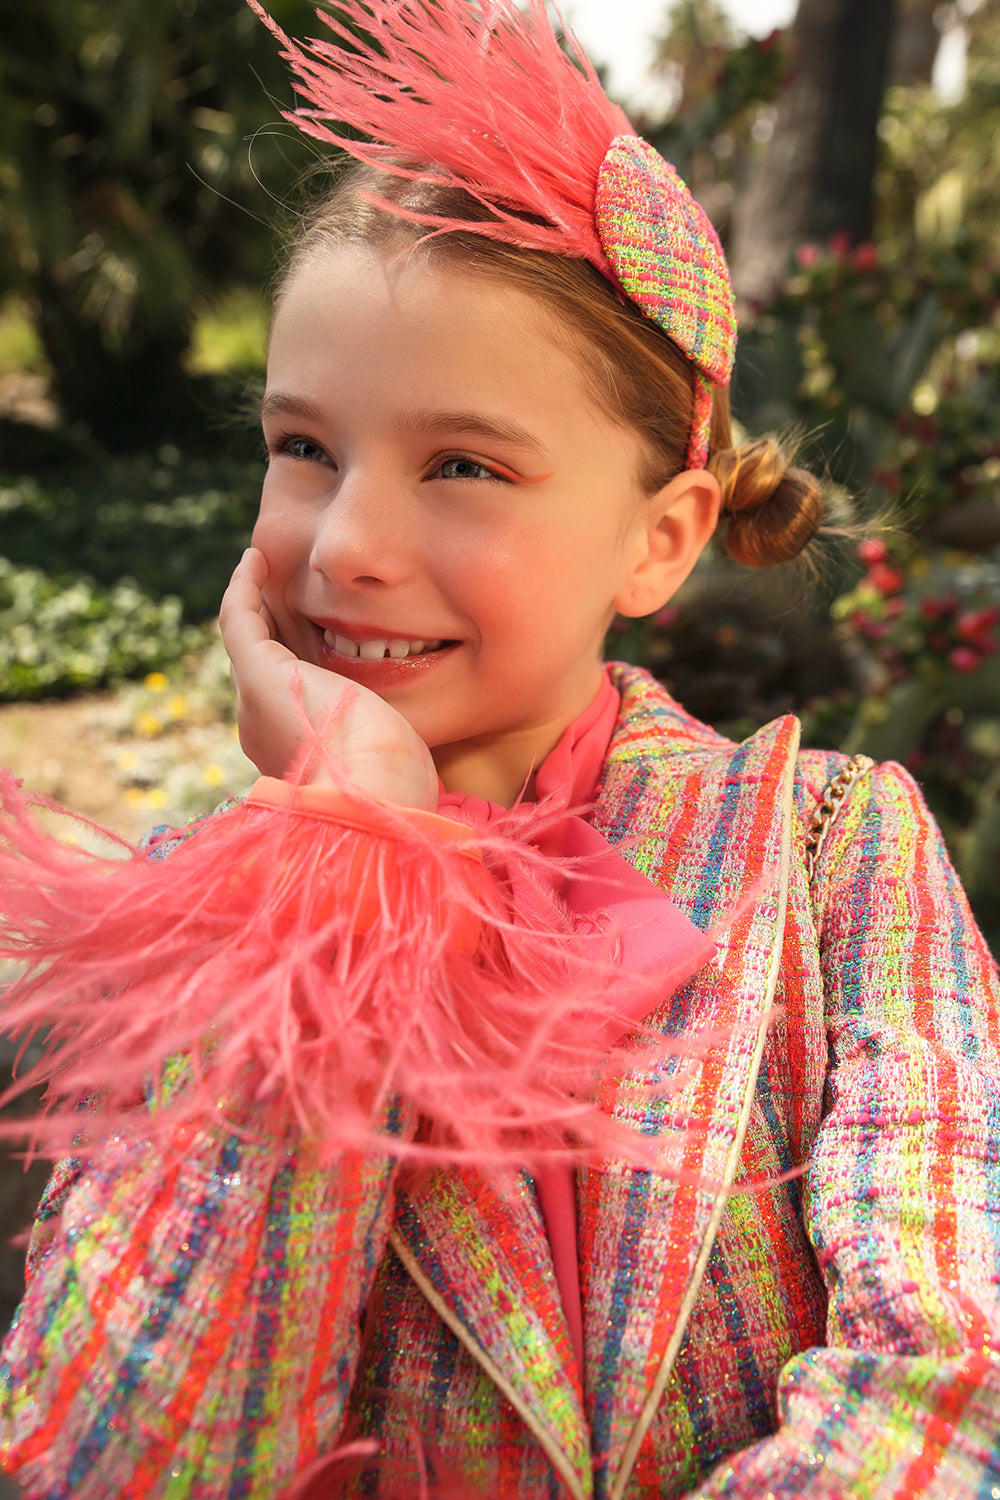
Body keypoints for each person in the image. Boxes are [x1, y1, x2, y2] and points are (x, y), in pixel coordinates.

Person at [1, 2, 998, 1496]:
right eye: (301, 447)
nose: (345, 546)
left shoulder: (837, 857)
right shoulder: (190, 910)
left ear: (659, 539)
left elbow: (947, 1379)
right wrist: (344, 865)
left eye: (462, 465)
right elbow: (115, 1454)